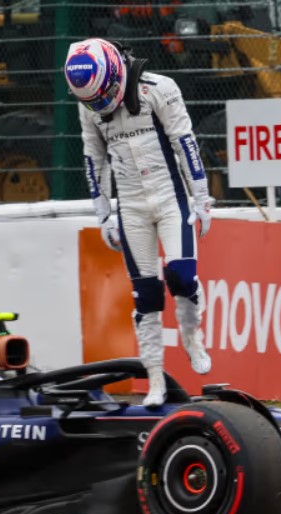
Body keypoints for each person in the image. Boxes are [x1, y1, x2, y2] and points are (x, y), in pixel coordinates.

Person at [63, 38, 212, 407]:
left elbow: (185, 143)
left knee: (180, 277)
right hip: (130, 207)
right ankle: (156, 380)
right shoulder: (89, 106)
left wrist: (202, 197)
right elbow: (92, 156)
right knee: (146, 296)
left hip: (169, 198)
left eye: (101, 96)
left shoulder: (160, 89)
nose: (98, 105)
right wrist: (103, 213)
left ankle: (192, 335)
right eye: (90, 100)